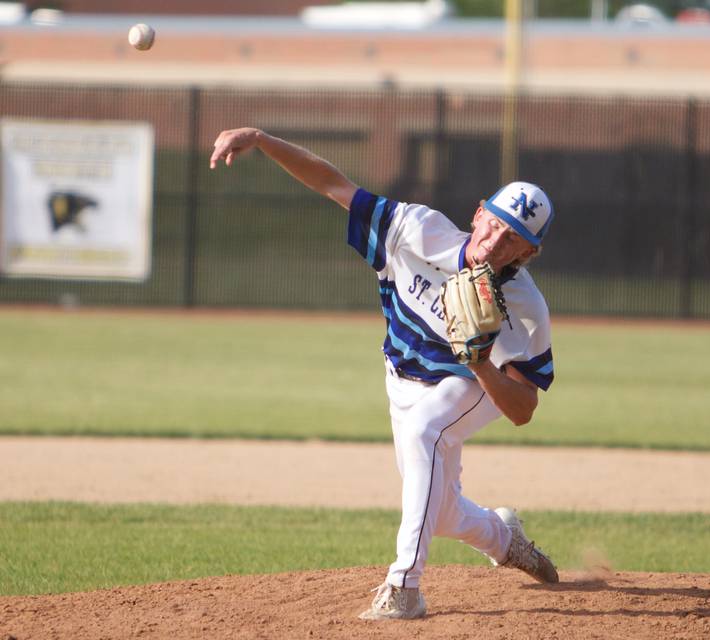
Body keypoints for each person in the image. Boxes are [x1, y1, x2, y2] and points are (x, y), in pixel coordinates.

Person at [210, 128, 559, 620]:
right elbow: (334, 185)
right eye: (494, 225)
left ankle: (404, 587)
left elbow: (523, 410)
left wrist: (480, 362)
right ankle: (506, 538)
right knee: (438, 509)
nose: (495, 242)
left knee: (427, 430)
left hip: (473, 384)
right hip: (400, 378)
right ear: (479, 213)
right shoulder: (417, 230)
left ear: (526, 254)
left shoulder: (527, 311)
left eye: (513, 240)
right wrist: (264, 141)